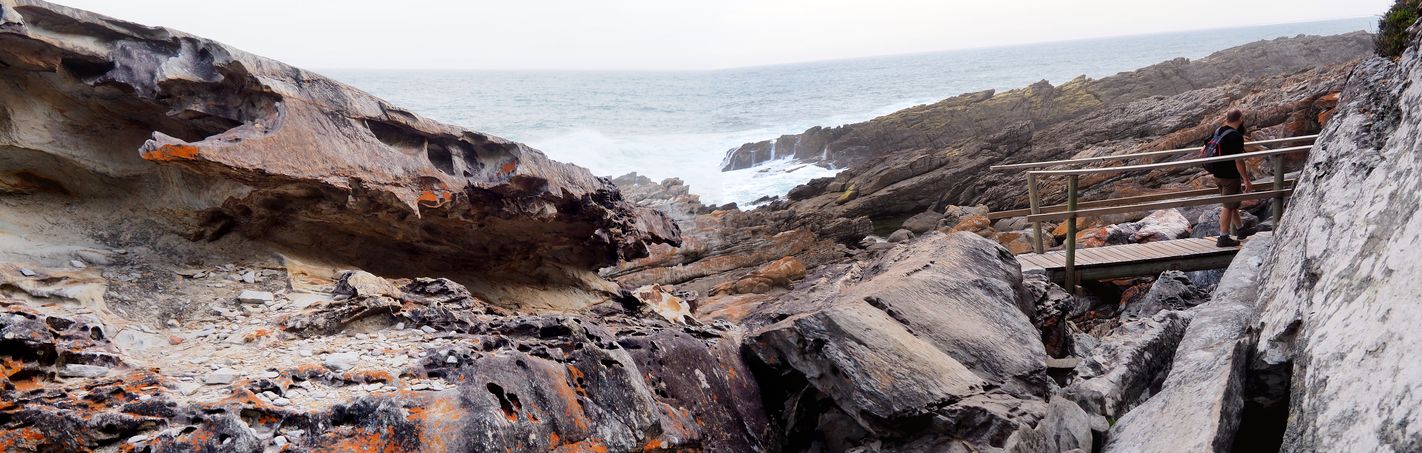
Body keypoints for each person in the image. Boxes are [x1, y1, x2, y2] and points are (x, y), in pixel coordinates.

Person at [1203, 109, 1251, 247]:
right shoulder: (1235, 136)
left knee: (1232, 203)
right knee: (1227, 207)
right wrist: (1246, 180)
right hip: (1230, 176)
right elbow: (1239, 161)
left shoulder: (1219, 130)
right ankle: (1223, 237)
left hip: (1217, 174)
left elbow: (1205, 146)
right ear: (1240, 119)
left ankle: (1241, 230)